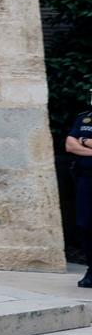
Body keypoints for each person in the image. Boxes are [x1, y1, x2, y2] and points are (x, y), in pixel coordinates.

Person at [68, 104, 92, 287]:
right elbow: (69, 145)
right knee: (85, 224)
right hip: (86, 179)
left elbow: (76, 142)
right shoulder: (84, 118)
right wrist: (87, 142)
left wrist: (81, 141)